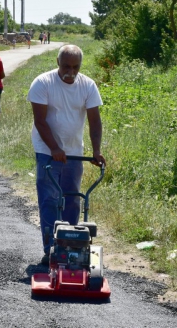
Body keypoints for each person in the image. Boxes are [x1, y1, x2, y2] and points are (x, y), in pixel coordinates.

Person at [27, 45, 105, 265]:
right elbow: (40, 121)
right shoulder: (43, 83)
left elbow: (94, 120)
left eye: (75, 67)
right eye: (66, 67)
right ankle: (51, 249)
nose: (70, 72)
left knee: (73, 199)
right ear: (57, 62)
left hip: (74, 153)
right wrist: (54, 148)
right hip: (47, 152)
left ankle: (72, 248)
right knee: (50, 200)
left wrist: (96, 150)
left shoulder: (88, 85)